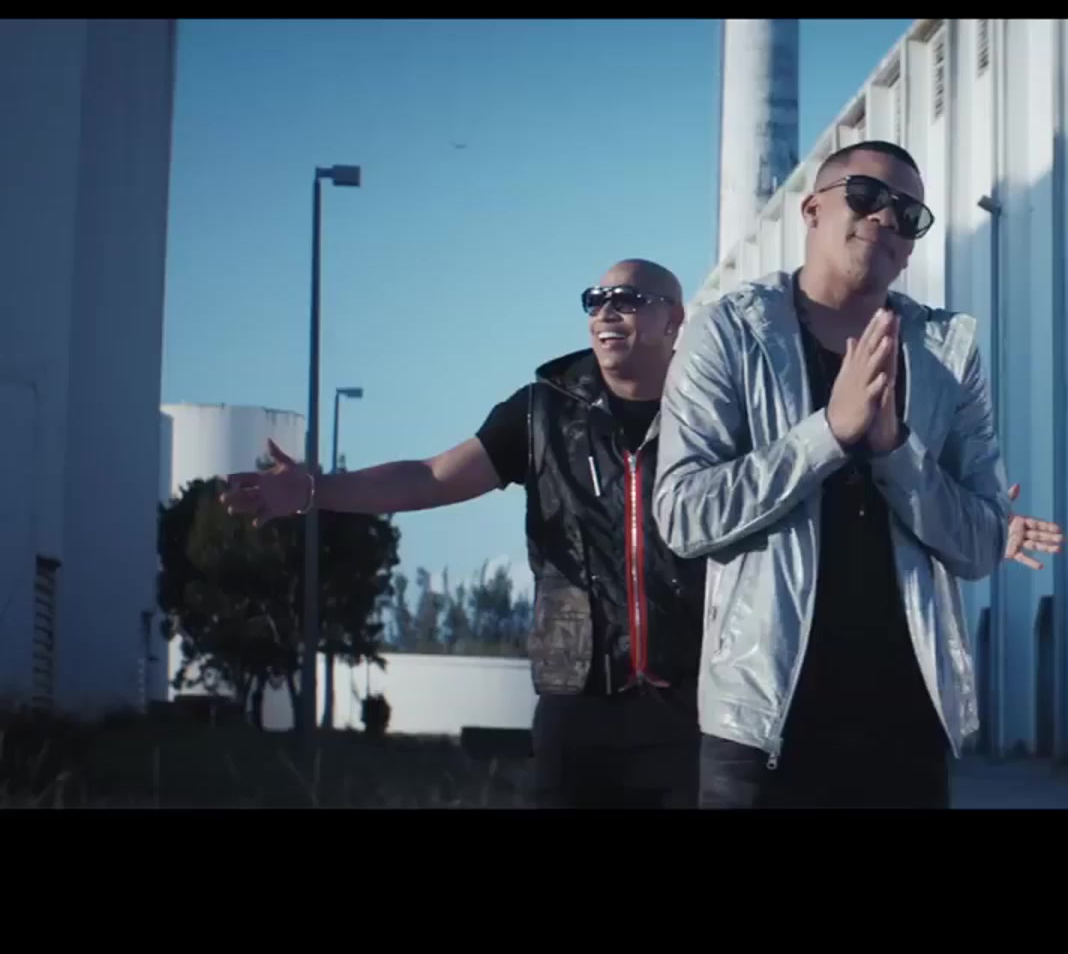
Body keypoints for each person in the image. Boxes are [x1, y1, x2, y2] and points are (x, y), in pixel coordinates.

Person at [222, 258, 707, 808]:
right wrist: (315, 490)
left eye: (628, 300)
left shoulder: (709, 410)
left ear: (674, 319)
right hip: (577, 700)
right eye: (595, 300)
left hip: (689, 700)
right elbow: (432, 477)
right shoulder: (541, 413)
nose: (606, 312)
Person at [654, 140, 1016, 808]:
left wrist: (893, 448)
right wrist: (829, 433)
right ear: (812, 209)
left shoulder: (947, 352)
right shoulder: (728, 332)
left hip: (906, 724)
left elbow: (983, 543)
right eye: (865, 195)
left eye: (908, 213)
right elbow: (683, 513)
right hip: (763, 721)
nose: (884, 217)